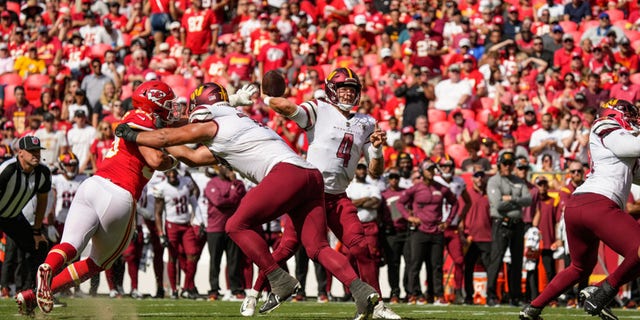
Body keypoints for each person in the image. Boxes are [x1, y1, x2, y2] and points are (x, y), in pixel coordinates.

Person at [114, 82, 381, 319]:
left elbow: (164, 137)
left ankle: (279, 279)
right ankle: (361, 290)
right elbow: (192, 157)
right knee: (317, 246)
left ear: (203, 106)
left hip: (286, 173)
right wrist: (155, 138)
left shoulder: (214, 123)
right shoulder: (236, 122)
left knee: (236, 226)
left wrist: (131, 134)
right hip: (311, 176)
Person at [16, 80, 183, 315]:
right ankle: (44, 290)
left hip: (93, 184)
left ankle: (39, 285)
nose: (170, 108)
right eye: (166, 103)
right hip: (119, 194)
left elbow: (173, 129)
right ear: (154, 103)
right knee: (96, 263)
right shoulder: (140, 117)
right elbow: (155, 159)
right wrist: (174, 158)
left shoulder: (137, 117)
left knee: (70, 246)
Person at [266, 67, 400, 319]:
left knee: (361, 247)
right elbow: (287, 109)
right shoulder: (319, 109)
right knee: (286, 249)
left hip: (338, 196)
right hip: (309, 196)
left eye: (353, 89)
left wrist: (379, 150)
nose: (348, 94)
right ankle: (256, 292)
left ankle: (375, 303)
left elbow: (374, 171)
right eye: (343, 88)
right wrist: (267, 98)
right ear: (331, 89)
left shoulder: (367, 122)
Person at [520, 99, 640, 320]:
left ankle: (533, 308)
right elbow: (633, 145)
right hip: (598, 203)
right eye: (631, 115)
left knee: (579, 268)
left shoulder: (620, 144)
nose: (635, 120)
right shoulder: (605, 126)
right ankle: (601, 291)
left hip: (580, 206)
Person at [396, 159, 457, 305]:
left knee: (436, 266)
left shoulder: (442, 188)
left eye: (432, 169)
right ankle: (414, 294)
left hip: (436, 231)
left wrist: (447, 222)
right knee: (415, 264)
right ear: (422, 172)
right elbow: (399, 203)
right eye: (428, 169)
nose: (431, 172)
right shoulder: (416, 188)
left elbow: (455, 202)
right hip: (419, 231)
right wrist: (409, 217)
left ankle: (437, 295)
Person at [0, 136, 50, 300]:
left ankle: (31, 292)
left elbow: (42, 201)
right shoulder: (7, 170)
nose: (35, 154)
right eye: (31, 151)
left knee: (38, 247)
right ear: (20, 152)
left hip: (12, 216)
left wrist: (36, 230)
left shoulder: (42, 173)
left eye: (37, 150)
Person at [485, 151, 532, 307]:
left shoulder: (519, 180)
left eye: (511, 164)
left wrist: (511, 198)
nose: (508, 166)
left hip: (517, 224)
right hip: (501, 223)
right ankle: (491, 295)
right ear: (499, 164)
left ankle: (515, 296)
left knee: (517, 261)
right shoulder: (493, 181)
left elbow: (528, 200)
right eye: (505, 164)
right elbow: (497, 204)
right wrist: (517, 202)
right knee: (496, 260)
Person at [153, 167, 202, 299]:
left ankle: (186, 287)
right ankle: (174, 289)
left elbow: (194, 199)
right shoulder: (161, 187)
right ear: (166, 174)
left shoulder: (186, 182)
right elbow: (158, 213)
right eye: (169, 173)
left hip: (186, 224)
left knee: (193, 255)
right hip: (171, 225)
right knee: (172, 257)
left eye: (174, 172)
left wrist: (200, 220)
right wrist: (161, 233)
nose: (172, 175)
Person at [204, 165, 246, 301]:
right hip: (215, 229)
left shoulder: (238, 183)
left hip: (231, 228)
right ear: (219, 169)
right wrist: (232, 197)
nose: (229, 170)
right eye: (225, 167)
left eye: (230, 167)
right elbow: (218, 201)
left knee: (234, 261)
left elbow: (240, 198)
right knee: (215, 261)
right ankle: (214, 290)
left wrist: (233, 186)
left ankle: (236, 289)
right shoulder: (212, 183)